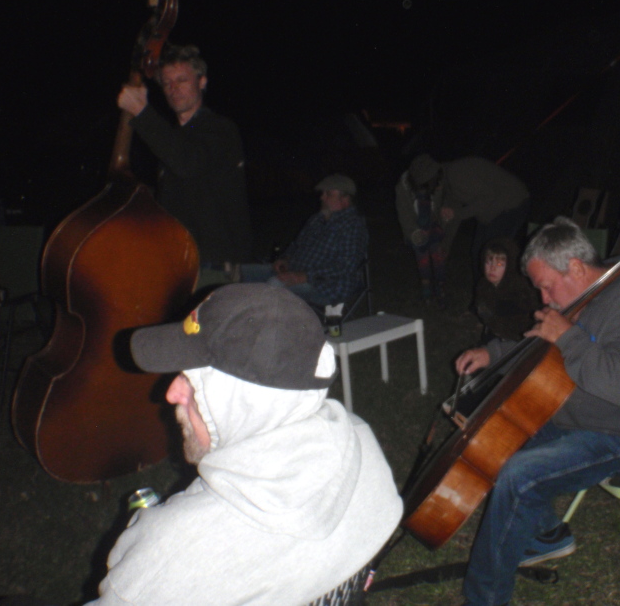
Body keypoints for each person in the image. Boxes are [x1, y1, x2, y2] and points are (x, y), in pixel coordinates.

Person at [88, 283, 402, 605]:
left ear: (242, 406)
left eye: (193, 382)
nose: (171, 393)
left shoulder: (172, 557)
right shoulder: (360, 442)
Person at [454, 217, 620, 606]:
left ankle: (484, 599)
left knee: (519, 475)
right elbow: (541, 348)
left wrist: (568, 336)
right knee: (497, 444)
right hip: (578, 417)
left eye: (546, 286)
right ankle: (547, 536)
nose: (544, 299)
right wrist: (492, 353)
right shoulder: (587, 296)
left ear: (575, 267)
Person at [117, 44, 252, 286]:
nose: (173, 89)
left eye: (181, 80)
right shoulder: (174, 138)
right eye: (167, 83)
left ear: (202, 82)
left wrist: (141, 111)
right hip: (178, 260)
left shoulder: (220, 129)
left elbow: (187, 163)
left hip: (211, 267)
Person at [240, 174, 368, 308]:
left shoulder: (353, 225)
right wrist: (285, 259)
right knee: (241, 272)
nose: (322, 197)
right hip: (294, 272)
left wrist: (305, 276)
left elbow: (346, 266)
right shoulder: (317, 219)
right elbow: (296, 245)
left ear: (345, 199)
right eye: (322, 193)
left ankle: (266, 320)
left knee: (274, 285)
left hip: (326, 285)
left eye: (328, 194)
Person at [404, 154, 530, 278]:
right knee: (478, 252)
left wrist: (458, 213)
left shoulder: (457, 174)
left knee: (493, 253)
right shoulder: (447, 184)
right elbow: (453, 218)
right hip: (491, 211)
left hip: (512, 203)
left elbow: (488, 196)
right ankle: (483, 288)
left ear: (432, 177)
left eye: (426, 185)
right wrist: (445, 247)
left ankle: (499, 288)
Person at [395, 158, 456, 305]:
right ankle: (426, 291)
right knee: (422, 256)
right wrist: (414, 233)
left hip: (434, 225)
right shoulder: (403, 187)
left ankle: (440, 290)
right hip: (416, 227)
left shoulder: (439, 180)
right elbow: (404, 215)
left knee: (438, 255)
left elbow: (448, 197)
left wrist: (446, 211)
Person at [473, 237, 540, 343]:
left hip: (516, 340)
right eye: (489, 262)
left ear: (510, 266)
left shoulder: (520, 290)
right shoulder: (483, 286)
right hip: (493, 335)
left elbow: (526, 320)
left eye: (499, 264)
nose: (492, 268)